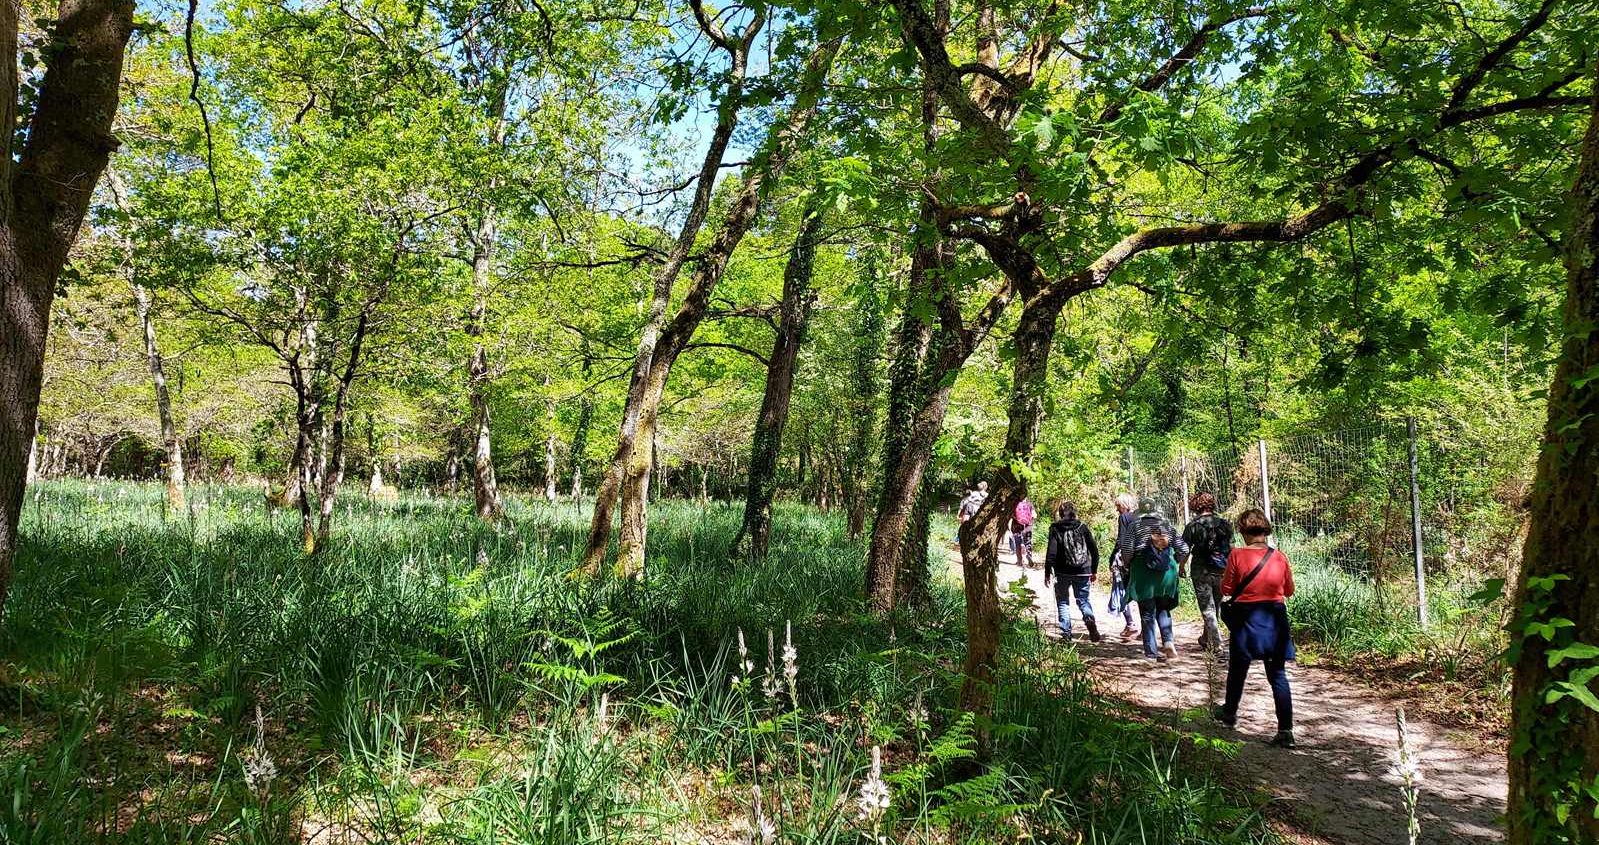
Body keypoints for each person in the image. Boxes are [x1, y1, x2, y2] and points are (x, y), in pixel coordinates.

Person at [1214, 508, 1297, 749]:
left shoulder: (1237, 555)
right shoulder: (1279, 557)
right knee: (1278, 675)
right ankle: (1285, 731)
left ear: (1243, 531)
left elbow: (1227, 589)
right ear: (1266, 530)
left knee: (1238, 669)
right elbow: (1289, 590)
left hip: (1246, 619)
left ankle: (1229, 713)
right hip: (1275, 619)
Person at [1180, 492, 1233, 652]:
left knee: (1207, 608)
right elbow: (1231, 548)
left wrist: (1181, 565)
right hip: (1221, 569)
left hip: (1201, 569)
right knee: (1214, 605)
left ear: (1196, 506)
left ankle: (1216, 644)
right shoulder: (1225, 524)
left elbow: (1184, 549)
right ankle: (1206, 639)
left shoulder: (1193, 526)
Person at [1043, 501, 1100, 641]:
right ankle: (1089, 618)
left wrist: (1047, 572)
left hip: (1062, 572)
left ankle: (1066, 634)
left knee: (1063, 601)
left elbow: (1051, 553)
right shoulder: (1083, 527)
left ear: (1061, 514)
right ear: (1075, 512)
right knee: (1083, 600)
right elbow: (1094, 550)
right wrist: (1093, 570)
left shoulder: (1055, 528)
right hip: (1083, 570)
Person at [1128, 527, 1180, 659]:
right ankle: (1168, 642)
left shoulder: (1136, 527)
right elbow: (1184, 549)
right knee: (1163, 608)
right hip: (1167, 574)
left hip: (1143, 573)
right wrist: (1173, 560)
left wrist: (1128, 564)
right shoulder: (1167, 527)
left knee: (1147, 614)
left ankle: (1151, 652)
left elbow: (1126, 549)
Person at [1106, 492, 1140, 639]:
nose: (1117, 509)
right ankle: (1147, 626)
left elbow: (1122, 540)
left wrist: (1112, 557)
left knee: (1122, 591)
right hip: (1139, 559)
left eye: (1118, 506)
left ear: (1124, 505)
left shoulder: (1124, 518)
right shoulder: (1140, 517)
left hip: (1124, 559)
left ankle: (1130, 624)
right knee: (1139, 592)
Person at [1010, 496, 1037, 567]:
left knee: (1017, 543)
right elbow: (1034, 515)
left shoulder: (1015, 504)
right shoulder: (1030, 504)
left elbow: (1011, 515)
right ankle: (1029, 555)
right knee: (1028, 542)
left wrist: (1017, 519)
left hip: (1016, 526)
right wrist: (1030, 523)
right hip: (1028, 526)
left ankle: (1019, 561)